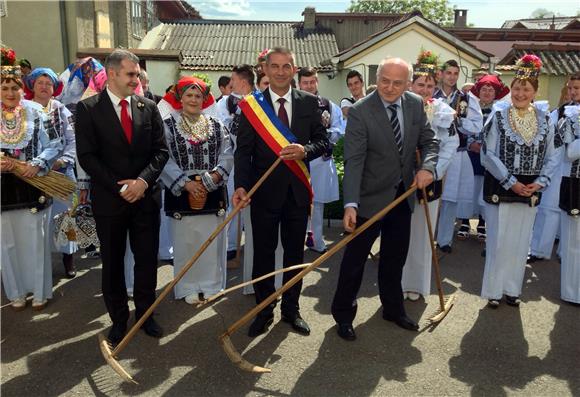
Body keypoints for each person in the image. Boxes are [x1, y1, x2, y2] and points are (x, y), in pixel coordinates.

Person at [331, 58, 439, 341]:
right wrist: (350, 204)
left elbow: (429, 142)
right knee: (354, 263)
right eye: (384, 81)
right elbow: (353, 161)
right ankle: (343, 315)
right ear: (376, 78)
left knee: (394, 258)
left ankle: (392, 308)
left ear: (408, 83)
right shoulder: (360, 111)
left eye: (398, 83)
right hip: (368, 199)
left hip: (402, 196)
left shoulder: (415, 104)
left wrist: (427, 167)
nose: (390, 88)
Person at [75, 49, 169, 345]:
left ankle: (145, 315)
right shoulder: (88, 108)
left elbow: (161, 151)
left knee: (145, 261)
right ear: (112, 73)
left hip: (145, 199)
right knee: (113, 263)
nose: (136, 78)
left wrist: (142, 182)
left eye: (138, 73)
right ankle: (118, 319)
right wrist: (120, 187)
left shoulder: (148, 106)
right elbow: (87, 157)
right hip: (110, 201)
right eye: (130, 73)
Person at [233, 47, 328, 337]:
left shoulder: (311, 103)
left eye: (287, 66)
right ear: (265, 69)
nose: (281, 71)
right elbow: (243, 151)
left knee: (294, 256)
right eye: (275, 66)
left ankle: (291, 309)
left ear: (295, 70)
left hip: (297, 194)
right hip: (263, 195)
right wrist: (241, 186)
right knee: (262, 254)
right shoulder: (252, 106)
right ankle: (263, 311)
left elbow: (323, 142)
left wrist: (305, 150)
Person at [480, 54, 561, 308]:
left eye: (526, 89)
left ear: (535, 91)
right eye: (516, 88)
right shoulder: (499, 116)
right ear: (510, 90)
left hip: (531, 189)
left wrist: (540, 182)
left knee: (521, 241)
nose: (520, 93)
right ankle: (494, 290)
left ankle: (513, 289)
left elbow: (553, 154)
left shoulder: (546, 120)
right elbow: (487, 154)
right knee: (497, 240)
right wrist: (511, 181)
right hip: (502, 185)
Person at [160, 76, 233, 304]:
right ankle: (187, 286)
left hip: (213, 190)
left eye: (198, 96)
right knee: (186, 243)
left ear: (204, 99)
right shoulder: (168, 125)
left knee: (212, 242)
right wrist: (186, 183)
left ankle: (211, 285)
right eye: (189, 95)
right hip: (181, 193)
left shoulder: (217, 124)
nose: (193, 99)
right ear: (180, 99)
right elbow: (163, 157)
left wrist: (213, 178)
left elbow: (228, 153)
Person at [1, 54, 63, 311]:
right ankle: (15, 292)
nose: (11, 92)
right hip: (3, 190)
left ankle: (40, 291)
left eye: (15, 87)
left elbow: (55, 144)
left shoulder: (35, 111)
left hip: (34, 183)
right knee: (7, 243)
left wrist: (36, 163)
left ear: (22, 88)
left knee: (35, 241)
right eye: (4, 88)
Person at [401, 50, 459, 301]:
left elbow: (450, 144)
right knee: (400, 234)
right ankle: (398, 283)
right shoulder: (399, 106)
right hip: (401, 180)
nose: (424, 90)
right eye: (420, 84)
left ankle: (418, 285)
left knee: (424, 234)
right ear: (411, 84)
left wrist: (432, 171)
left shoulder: (443, 111)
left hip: (429, 180)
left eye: (429, 85)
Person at [24, 67, 79, 278]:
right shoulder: (24, 109)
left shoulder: (60, 109)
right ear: (32, 86)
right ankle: (40, 265)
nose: (45, 87)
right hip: (32, 174)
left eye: (49, 83)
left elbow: (72, 139)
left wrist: (63, 160)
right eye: (40, 83)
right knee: (37, 221)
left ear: (54, 88)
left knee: (65, 217)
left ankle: (68, 259)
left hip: (60, 171)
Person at [528, 74, 580, 263]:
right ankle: (538, 250)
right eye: (570, 88)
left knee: (571, 213)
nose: (573, 92)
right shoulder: (561, 110)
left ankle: (567, 253)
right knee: (548, 209)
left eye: (577, 88)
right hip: (558, 167)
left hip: (576, 168)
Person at [434, 59, 483, 252]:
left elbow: (477, 126)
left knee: (449, 198)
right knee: (431, 197)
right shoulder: (432, 94)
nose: (452, 77)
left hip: (457, 153)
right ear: (441, 74)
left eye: (455, 73)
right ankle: (426, 238)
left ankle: (444, 240)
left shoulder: (466, 99)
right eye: (449, 73)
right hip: (434, 152)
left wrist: (459, 120)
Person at [297, 66, 344, 254]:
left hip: (320, 160)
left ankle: (316, 240)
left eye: (312, 82)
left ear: (317, 81)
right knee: (296, 202)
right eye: (305, 82)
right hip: (298, 160)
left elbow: (339, 128)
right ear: (299, 83)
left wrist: (325, 139)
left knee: (317, 203)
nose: (309, 86)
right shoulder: (292, 104)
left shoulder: (328, 105)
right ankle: (295, 240)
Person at [216, 64, 255, 261]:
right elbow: (223, 129)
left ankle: (252, 245)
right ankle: (231, 246)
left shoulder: (258, 102)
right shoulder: (225, 103)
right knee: (234, 202)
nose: (230, 83)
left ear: (242, 80)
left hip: (255, 162)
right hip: (236, 159)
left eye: (233, 79)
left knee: (254, 207)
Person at [468, 74, 511, 250]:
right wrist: (471, 143)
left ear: (496, 93)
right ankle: (465, 220)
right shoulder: (471, 107)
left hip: (491, 155)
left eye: (490, 89)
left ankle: (482, 224)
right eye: (484, 89)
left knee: (486, 188)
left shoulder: (501, 110)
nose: (486, 92)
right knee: (471, 187)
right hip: (472, 154)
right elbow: (463, 127)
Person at [557, 103, 580, 304]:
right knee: (573, 242)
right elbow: (568, 153)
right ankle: (572, 292)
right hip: (575, 182)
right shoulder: (571, 119)